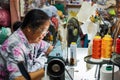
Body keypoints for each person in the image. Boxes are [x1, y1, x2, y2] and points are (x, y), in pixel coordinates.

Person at [0, 9, 53, 80]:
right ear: (29, 28)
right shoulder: (15, 47)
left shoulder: (32, 39)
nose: (44, 35)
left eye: (45, 31)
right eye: (42, 31)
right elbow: (18, 79)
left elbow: (48, 48)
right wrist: (46, 71)